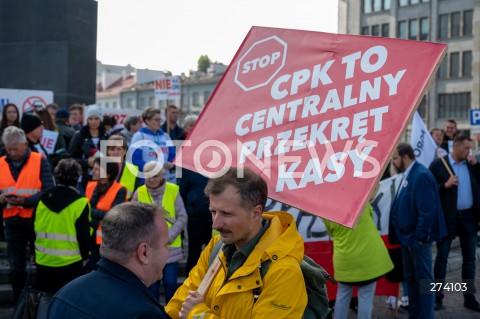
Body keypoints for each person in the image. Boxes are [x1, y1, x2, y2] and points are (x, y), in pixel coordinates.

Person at [165, 167, 307, 319]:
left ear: (255, 213)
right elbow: (179, 303)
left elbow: (190, 309)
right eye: (213, 212)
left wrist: (198, 315)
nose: (215, 225)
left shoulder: (284, 272)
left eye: (226, 214)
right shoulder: (216, 247)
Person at [47, 202, 171, 318]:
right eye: (166, 245)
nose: (168, 253)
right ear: (144, 252)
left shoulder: (64, 294)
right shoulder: (144, 313)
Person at [389, 143, 447, 319]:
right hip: (407, 239)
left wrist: (420, 237)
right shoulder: (409, 175)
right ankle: (415, 315)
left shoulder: (421, 175)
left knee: (424, 282)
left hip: (417, 240)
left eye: (395, 158)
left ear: (405, 157)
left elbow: (427, 210)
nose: (393, 162)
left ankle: (425, 316)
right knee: (412, 280)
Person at [0, 126, 54, 303]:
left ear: (25, 144)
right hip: (12, 220)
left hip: (36, 220)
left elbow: (48, 191)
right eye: (9, 149)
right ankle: (19, 304)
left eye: (15, 148)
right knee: (16, 268)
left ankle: (39, 302)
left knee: (41, 264)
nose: (12, 152)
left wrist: (26, 201)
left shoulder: (40, 160)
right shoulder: (1, 162)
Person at [429, 134, 480, 312]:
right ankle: (437, 298)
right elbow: (428, 191)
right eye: (466, 148)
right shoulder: (438, 165)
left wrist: (477, 165)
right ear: (456, 147)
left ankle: (469, 297)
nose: (469, 151)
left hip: (469, 218)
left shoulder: (472, 165)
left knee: (469, 260)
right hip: (448, 219)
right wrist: (445, 185)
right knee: (441, 259)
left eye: (470, 148)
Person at [323, 201, 393, 319]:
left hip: (344, 261)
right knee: (365, 299)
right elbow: (371, 214)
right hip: (367, 260)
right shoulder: (361, 201)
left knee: (342, 297)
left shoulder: (325, 209)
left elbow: (331, 232)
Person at [132, 161, 187, 303]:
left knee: (170, 285)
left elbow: (182, 216)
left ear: (162, 176)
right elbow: (132, 219)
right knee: (152, 287)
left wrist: (169, 236)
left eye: (155, 176)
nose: (151, 179)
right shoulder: (139, 192)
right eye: (148, 176)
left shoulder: (173, 189)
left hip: (170, 247)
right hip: (149, 249)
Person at [34, 159, 90, 294]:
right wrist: (85, 256)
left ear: (56, 176)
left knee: (46, 299)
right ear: (77, 178)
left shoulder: (42, 198)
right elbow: (83, 234)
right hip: (71, 263)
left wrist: (32, 253)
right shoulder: (81, 202)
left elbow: (33, 229)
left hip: (43, 261)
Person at [85, 157, 127, 270]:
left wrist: (91, 212)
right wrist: (99, 215)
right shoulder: (90, 186)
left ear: (107, 174)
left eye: (97, 169)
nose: (92, 171)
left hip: (107, 240)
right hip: (89, 236)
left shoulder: (120, 190)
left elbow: (112, 215)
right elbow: (84, 210)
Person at [178, 161, 212, 274]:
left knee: (215, 254)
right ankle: (190, 282)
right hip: (195, 219)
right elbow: (182, 191)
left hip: (215, 218)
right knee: (193, 253)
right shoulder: (190, 169)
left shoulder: (220, 170)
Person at [68, 105, 109, 191]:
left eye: (96, 118)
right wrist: (86, 162)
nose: (93, 122)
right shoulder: (79, 135)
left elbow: (111, 157)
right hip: (83, 178)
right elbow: (70, 158)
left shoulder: (107, 136)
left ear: (100, 120)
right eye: (90, 119)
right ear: (87, 120)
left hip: (102, 178)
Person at [129, 107, 175, 183]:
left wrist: (171, 163)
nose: (159, 122)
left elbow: (173, 155)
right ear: (147, 121)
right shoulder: (139, 136)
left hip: (166, 179)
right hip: (148, 180)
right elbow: (134, 159)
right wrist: (151, 168)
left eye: (160, 120)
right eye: (156, 120)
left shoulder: (166, 136)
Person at [106, 135, 142, 200]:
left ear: (125, 151)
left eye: (119, 149)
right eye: (112, 149)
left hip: (126, 207)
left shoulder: (134, 170)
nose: (115, 152)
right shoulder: (101, 168)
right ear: (107, 151)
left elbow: (138, 194)